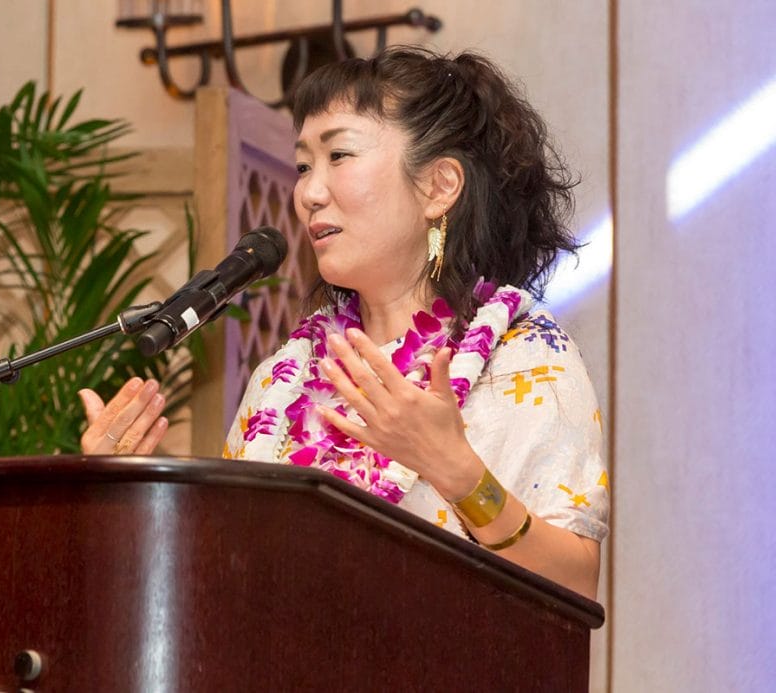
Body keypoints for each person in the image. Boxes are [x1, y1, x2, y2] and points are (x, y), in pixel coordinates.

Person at [79, 47, 609, 600]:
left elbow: (574, 587)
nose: (308, 192)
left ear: (439, 186)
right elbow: (224, 579)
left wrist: (457, 472)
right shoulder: (279, 381)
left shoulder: (524, 356)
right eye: (305, 164)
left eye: (340, 155)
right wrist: (131, 487)